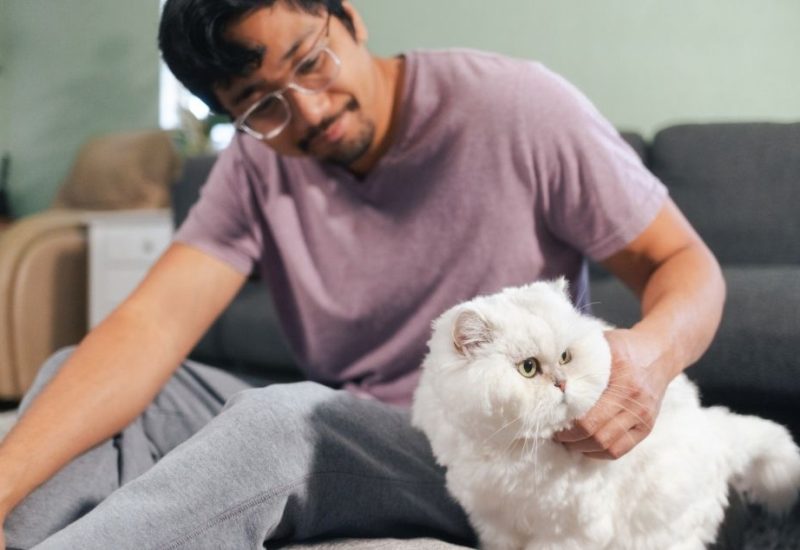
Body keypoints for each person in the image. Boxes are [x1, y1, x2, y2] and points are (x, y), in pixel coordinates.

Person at [0, 0, 726, 548]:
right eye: (262, 107)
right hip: (361, 418)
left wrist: (651, 361)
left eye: (311, 61)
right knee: (78, 377)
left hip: (488, 450)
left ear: (348, 16)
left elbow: (685, 264)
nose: (309, 112)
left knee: (285, 422)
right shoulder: (256, 167)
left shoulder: (518, 107)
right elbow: (150, 325)